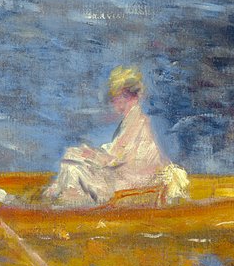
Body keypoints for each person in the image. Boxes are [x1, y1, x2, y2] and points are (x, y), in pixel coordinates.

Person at [42, 66, 189, 207]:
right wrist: (93, 154)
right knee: (74, 155)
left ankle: (66, 204)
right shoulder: (133, 120)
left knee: (73, 162)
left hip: (130, 181)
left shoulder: (137, 121)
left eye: (114, 98)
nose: (112, 103)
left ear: (125, 96)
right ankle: (62, 198)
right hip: (125, 176)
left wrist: (93, 156)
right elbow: (118, 154)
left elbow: (121, 162)